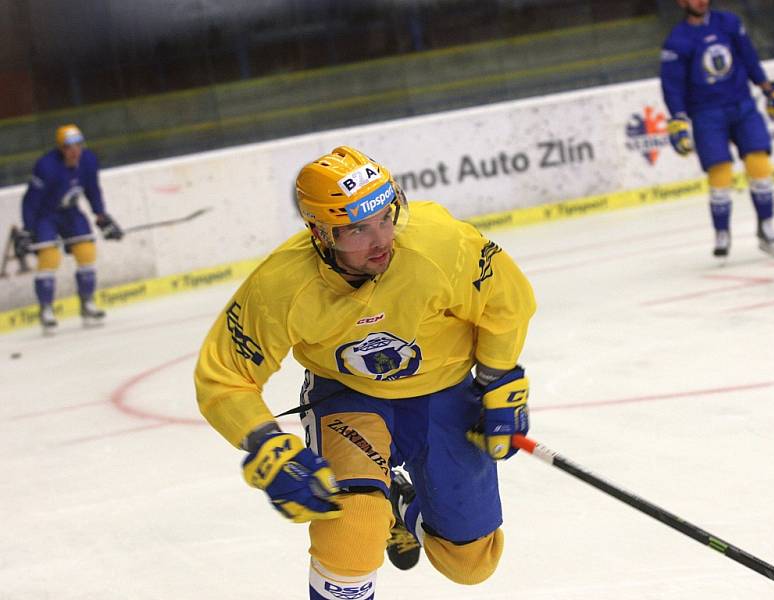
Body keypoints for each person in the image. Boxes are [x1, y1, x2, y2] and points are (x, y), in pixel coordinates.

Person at [194, 146, 536, 600]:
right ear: (319, 233)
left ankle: (401, 505)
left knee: (471, 563)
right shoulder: (282, 285)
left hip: (446, 393)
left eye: (384, 218)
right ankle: (374, 509)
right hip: (349, 398)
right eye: (356, 229)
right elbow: (225, 372)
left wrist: (498, 381)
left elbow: (506, 302)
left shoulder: (440, 242)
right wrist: (264, 442)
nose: (380, 240)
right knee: (353, 531)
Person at [660, 0, 774, 258]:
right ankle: (722, 232)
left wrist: (767, 87)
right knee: (720, 171)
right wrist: (678, 118)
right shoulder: (677, 41)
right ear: (681, 2)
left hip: (742, 105)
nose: (701, 1)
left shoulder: (729, 23)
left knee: (759, 162)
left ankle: (766, 227)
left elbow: (749, 57)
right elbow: (672, 86)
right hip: (706, 113)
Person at [16, 124, 123, 333]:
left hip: (70, 212)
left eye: (78, 145)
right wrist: (28, 229)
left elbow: (92, 189)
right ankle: (46, 310)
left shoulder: (89, 160)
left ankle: (87, 304)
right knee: (49, 257)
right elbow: (30, 201)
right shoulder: (46, 167)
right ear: (60, 148)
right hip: (45, 215)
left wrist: (101, 216)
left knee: (86, 251)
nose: (75, 151)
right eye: (68, 147)